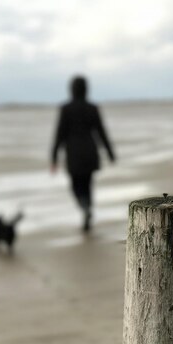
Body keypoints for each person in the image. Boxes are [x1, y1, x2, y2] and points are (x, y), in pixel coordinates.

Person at [51, 76, 116, 232]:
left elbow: (59, 134)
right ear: (86, 89)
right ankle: (87, 209)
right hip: (89, 152)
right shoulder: (92, 108)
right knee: (87, 185)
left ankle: (84, 208)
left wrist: (53, 157)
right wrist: (110, 153)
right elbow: (101, 132)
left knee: (75, 186)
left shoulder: (66, 109)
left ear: (71, 89)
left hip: (73, 154)